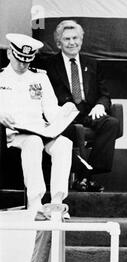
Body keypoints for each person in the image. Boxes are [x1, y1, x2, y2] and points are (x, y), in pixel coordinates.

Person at [0, 33, 73, 218]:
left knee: (64, 144)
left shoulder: (39, 78)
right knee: (33, 142)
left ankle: (57, 202)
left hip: (40, 129)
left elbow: (50, 109)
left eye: (27, 60)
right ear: (10, 53)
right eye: (19, 59)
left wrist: (64, 113)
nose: (23, 64)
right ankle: (36, 202)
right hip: (13, 134)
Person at [45, 20, 119, 192]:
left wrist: (100, 105)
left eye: (75, 38)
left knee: (111, 124)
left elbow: (105, 94)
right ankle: (84, 177)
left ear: (81, 40)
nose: (72, 42)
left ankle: (86, 174)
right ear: (58, 43)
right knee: (75, 131)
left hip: (88, 112)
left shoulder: (93, 63)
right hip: (62, 116)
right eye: (66, 39)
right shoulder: (48, 65)